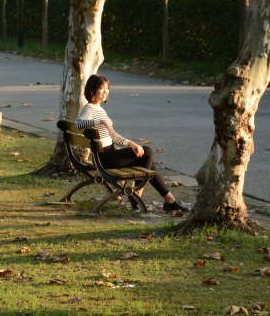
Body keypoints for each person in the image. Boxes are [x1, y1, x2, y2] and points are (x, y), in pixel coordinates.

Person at [76, 74, 189, 214]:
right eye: (102, 88)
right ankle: (138, 197)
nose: (106, 92)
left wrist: (130, 143)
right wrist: (101, 122)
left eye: (107, 89)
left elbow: (113, 136)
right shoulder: (90, 109)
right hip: (107, 159)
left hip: (107, 155)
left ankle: (168, 200)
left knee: (146, 158)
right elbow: (79, 124)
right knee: (147, 152)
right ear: (92, 90)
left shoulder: (97, 109)